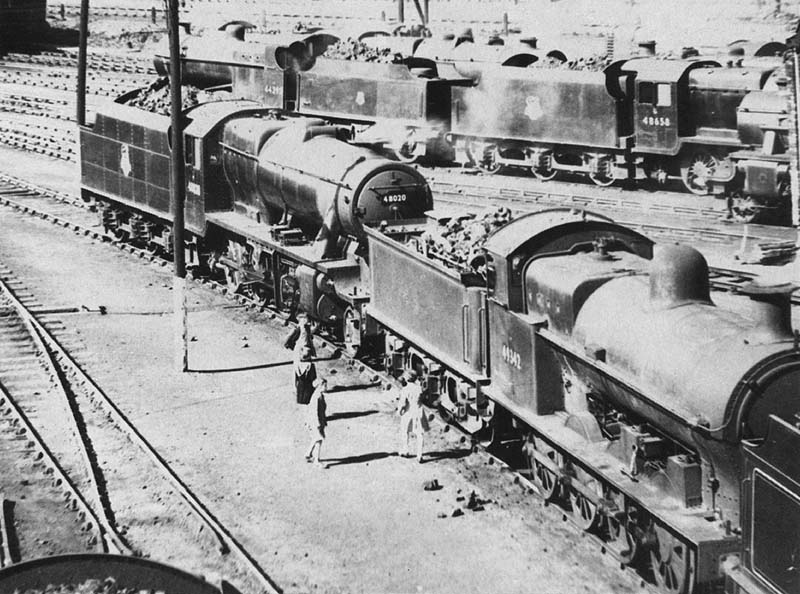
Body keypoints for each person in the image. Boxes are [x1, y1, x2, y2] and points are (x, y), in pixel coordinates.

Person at [397, 369, 429, 463]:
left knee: (405, 431)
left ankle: (405, 450)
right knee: (420, 434)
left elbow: (402, 403)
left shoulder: (405, 390)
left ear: (406, 379)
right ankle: (420, 455)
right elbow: (424, 398)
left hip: (408, 412)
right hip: (419, 411)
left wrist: (399, 411)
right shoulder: (419, 389)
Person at [305, 377, 328, 468]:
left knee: (316, 438)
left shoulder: (319, 395)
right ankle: (316, 461)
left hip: (317, 421)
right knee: (319, 439)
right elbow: (314, 412)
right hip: (315, 422)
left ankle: (308, 454)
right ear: (320, 386)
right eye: (325, 385)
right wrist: (317, 423)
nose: (326, 387)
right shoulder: (317, 397)